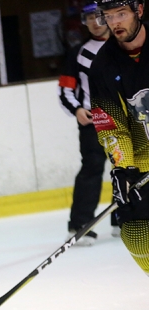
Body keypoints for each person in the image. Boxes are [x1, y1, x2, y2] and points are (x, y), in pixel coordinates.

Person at [89, 0, 149, 276]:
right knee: (136, 234)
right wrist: (122, 167)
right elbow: (111, 125)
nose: (115, 23)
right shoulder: (102, 65)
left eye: (121, 14)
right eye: (109, 16)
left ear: (139, 10)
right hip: (142, 160)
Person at [59, 3, 115, 245]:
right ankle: (80, 224)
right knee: (91, 170)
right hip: (93, 123)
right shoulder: (77, 53)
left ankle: (127, 218)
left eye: (98, 16)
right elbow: (65, 91)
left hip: (125, 120)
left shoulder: (125, 46)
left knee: (131, 169)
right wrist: (77, 109)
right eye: (89, 18)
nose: (94, 22)